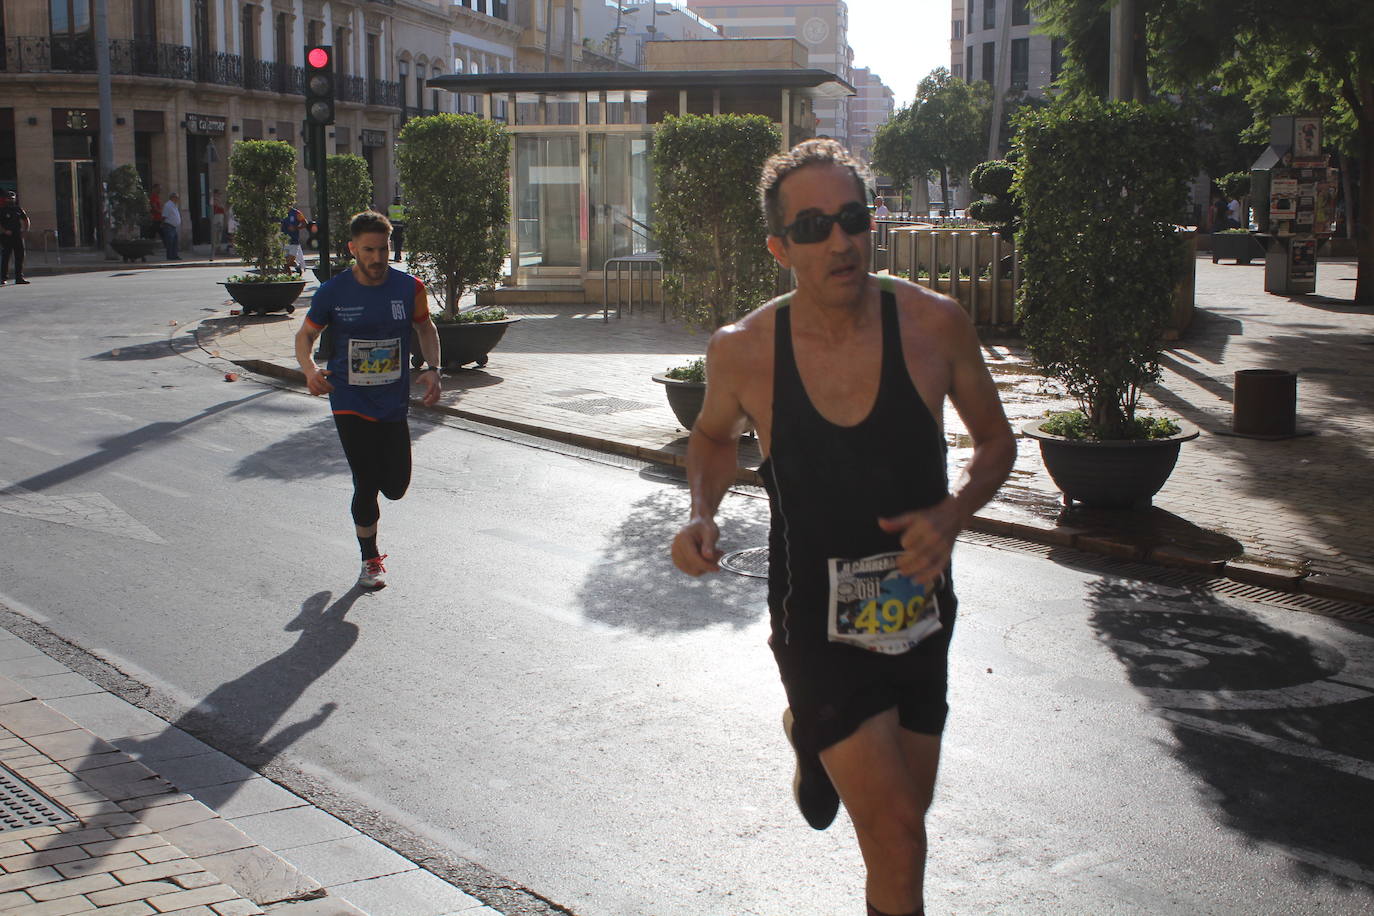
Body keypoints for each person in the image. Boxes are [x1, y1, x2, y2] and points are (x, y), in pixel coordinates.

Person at [671, 139, 1015, 916]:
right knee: (897, 834)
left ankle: (806, 736)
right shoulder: (745, 350)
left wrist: (954, 513)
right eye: (814, 226)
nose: (840, 242)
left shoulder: (935, 327)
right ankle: (811, 717)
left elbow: (997, 442)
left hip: (919, 612)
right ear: (779, 248)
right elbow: (715, 437)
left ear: (873, 224)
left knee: (905, 828)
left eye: (853, 220)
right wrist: (701, 511)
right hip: (815, 624)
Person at [293, 210, 442, 591]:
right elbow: (305, 336)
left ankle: (372, 532)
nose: (377, 258)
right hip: (349, 398)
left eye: (383, 249)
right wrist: (310, 370)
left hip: (392, 401)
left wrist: (433, 368)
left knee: (395, 486)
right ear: (353, 249)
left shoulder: (409, 288)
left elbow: (424, 327)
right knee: (367, 481)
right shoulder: (333, 292)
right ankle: (370, 560)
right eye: (369, 250)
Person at [0, 189, 31, 285]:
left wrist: (25, 230)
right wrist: (5, 231)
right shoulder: (2, 210)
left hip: (17, 236)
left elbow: (26, 220)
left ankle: (19, 277)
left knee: (20, 256)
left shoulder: (18, 209)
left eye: (12, 198)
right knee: (5, 257)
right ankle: (3, 278)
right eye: (9, 198)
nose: (11, 200)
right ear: (6, 199)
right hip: (6, 237)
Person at [281, 204, 307, 274]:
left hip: (293, 241)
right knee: (285, 262)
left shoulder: (296, 213)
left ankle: (297, 267)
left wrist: (296, 228)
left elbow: (305, 223)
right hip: (283, 241)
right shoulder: (280, 212)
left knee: (289, 262)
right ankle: (290, 276)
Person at [160, 191, 182, 260]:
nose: (178, 199)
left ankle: (175, 255)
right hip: (169, 226)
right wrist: (162, 224)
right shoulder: (168, 205)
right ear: (173, 198)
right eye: (177, 197)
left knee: (175, 242)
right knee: (170, 242)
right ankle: (170, 256)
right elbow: (164, 216)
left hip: (174, 227)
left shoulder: (174, 205)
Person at [387, 196, 406, 262]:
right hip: (400, 228)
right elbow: (407, 218)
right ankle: (397, 257)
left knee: (388, 242)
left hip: (391, 228)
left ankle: (387, 257)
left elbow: (386, 216)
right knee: (398, 243)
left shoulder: (390, 208)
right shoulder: (403, 208)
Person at [211, 189, 227, 254]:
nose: (219, 195)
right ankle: (215, 248)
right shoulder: (213, 199)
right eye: (218, 193)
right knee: (216, 232)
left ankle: (218, 247)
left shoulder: (219, 200)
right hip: (216, 216)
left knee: (219, 232)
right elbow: (218, 206)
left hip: (221, 216)